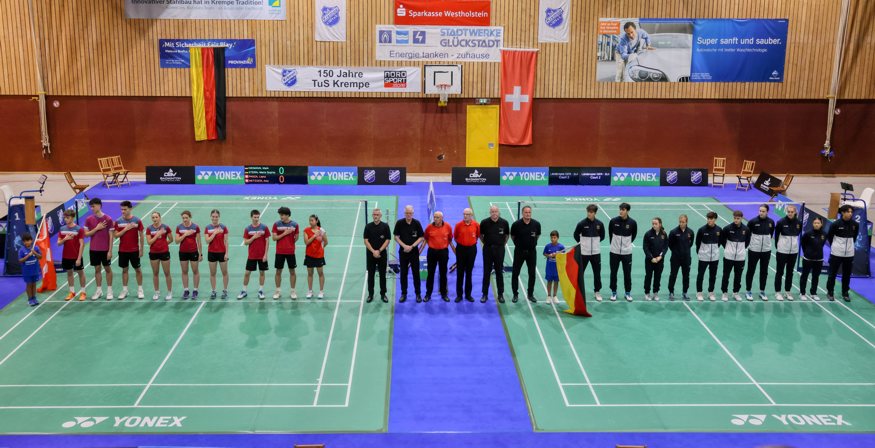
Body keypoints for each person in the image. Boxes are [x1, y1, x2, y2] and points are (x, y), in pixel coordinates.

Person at [83, 198, 114, 300]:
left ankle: (109, 291)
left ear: (99, 205)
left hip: (105, 249)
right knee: (97, 269)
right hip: (94, 249)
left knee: (107, 269)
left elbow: (111, 236)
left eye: (93, 206)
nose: (92, 208)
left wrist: (110, 250)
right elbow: (86, 234)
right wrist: (96, 228)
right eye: (91, 206)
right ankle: (99, 291)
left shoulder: (108, 219)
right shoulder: (89, 220)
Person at [826, 204, 859, 302]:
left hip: (849, 254)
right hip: (836, 253)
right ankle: (830, 292)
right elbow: (830, 237)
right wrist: (836, 247)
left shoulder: (855, 225)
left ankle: (845, 292)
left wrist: (849, 247)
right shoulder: (835, 224)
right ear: (842, 213)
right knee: (832, 273)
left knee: (847, 274)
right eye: (848, 212)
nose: (850, 214)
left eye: (851, 212)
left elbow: (855, 237)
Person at [573, 204, 605, 302]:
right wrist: (583, 244)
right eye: (588, 212)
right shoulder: (581, 223)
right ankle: (578, 290)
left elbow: (602, 236)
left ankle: (597, 291)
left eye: (591, 212)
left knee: (597, 273)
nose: (589, 214)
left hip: (596, 253)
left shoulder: (600, 224)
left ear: (595, 213)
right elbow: (575, 235)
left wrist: (594, 244)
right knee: (580, 272)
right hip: (584, 253)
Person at [114, 200, 145, 300]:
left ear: (130, 209)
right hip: (123, 250)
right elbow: (116, 235)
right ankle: (125, 290)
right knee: (124, 270)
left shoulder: (137, 220)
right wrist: (125, 229)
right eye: (121, 209)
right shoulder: (118, 221)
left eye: (125, 209)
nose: (123, 211)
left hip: (134, 250)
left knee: (138, 270)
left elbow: (141, 235)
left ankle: (140, 290)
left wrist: (141, 249)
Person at [511, 205, 541, 303]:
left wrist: (532, 244)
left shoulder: (536, 224)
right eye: (526, 212)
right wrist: (519, 245)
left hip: (532, 252)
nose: (528, 214)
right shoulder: (516, 225)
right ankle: (515, 294)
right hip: (519, 252)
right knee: (515, 273)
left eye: (529, 212)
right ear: (522, 213)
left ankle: (530, 294)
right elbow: (512, 236)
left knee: (532, 274)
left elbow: (538, 235)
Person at [480, 205, 510, 303]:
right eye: (492, 211)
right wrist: (487, 243)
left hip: (499, 250)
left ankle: (500, 294)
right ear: (490, 213)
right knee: (486, 272)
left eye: (496, 211)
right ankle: (484, 294)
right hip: (488, 249)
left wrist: (501, 244)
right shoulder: (484, 222)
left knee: (499, 272)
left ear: (499, 212)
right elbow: (481, 235)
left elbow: (507, 235)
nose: (494, 213)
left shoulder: (504, 223)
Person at [394, 205, 424, 303]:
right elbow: (396, 237)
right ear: (404, 213)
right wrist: (404, 246)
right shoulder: (399, 223)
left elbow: (421, 237)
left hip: (414, 253)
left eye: (410, 213)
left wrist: (411, 246)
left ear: (413, 213)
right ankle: (403, 293)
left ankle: (418, 294)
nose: (408, 214)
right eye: (407, 213)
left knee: (416, 274)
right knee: (403, 273)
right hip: (403, 253)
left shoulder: (417, 223)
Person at [745, 204, 774, 301]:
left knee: (764, 271)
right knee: (751, 270)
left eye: (763, 211)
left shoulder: (771, 222)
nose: (761, 213)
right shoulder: (753, 222)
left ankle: (762, 291)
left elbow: (771, 233)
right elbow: (747, 235)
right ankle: (748, 291)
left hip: (766, 251)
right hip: (754, 250)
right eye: (760, 211)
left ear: (767, 212)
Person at [608, 202, 637, 301]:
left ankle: (627, 293)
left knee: (627, 273)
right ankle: (613, 292)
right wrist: (614, 246)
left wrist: (626, 245)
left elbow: (634, 235)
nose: (621, 211)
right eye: (620, 209)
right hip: (614, 252)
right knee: (613, 273)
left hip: (627, 253)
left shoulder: (632, 223)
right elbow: (610, 235)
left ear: (627, 211)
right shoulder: (613, 221)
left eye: (623, 210)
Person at [240, 209, 270, 300]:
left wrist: (265, 254)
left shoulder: (264, 228)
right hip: (252, 255)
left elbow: (267, 241)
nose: (256, 219)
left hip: (262, 255)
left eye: (258, 217)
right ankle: (244, 291)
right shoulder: (248, 229)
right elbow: (246, 242)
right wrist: (253, 237)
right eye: (255, 217)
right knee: (247, 273)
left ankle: (261, 291)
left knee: (262, 272)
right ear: (251, 217)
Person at [720, 210, 750, 302]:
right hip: (729, 256)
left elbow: (747, 242)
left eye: (738, 218)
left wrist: (741, 251)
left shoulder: (746, 229)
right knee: (726, 275)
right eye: (735, 218)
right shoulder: (727, 228)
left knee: (738, 276)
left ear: (741, 218)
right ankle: (724, 292)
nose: (736, 220)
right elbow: (722, 240)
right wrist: (728, 249)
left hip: (740, 257)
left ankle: (736, 292)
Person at [423, 211, 453, 302]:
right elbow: (426, 238)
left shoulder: (448, 226)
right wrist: (432, 245)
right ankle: (428, 294)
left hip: (443, 252)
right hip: (432, 252)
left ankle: (444, 293)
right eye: (435, 217)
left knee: (443, 273)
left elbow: (450, 239)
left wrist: (443, 246)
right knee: (430, 273)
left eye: (437, 217)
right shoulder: (429, 227)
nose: (435, 219)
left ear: (442, 218)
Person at [774, 205, 802, 301]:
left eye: (792, 212)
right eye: (788, 211)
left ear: (795, 212)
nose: (790, 213)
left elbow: (798, 235)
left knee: (790, 272)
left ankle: (787, 291)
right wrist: (778, 247)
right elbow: (776, 235)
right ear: (786, 212)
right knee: (780, 272)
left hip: (793, 252)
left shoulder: (799, 223)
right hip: (782, 251)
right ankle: (777, 292)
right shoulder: (781, 222)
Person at [58, 210, 87, 301]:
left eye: (68, 218)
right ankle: (72, 292)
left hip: (76, 256)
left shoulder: (79, 229)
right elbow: (59, 243)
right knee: (69, 273)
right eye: (65, 218)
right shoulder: (62, 229)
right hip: (66, 256)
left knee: (80, 273)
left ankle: (83, 292)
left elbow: (82, 244)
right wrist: (65, 239)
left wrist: (79, 258)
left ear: (72, 217)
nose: (66, 219)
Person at [363, 208, 391, 303]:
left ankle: (383, 294)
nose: (375, 216)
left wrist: (379, 251)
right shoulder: (368, 227)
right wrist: (373, 251)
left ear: (380, 216)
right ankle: (370, 294)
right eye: (374, 214)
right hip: (371, 255)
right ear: (372, 215)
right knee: (371, 275)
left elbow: (387, 240)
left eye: (377, 214)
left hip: (382, 255)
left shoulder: (385, 226)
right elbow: (366, 240)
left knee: (382, 275)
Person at [272, 206, 299, 300]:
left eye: (283, 215)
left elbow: (296, 237)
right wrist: (284, 233)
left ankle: (293, 291)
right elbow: (274, 238)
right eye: (280, 215)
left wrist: (290, 244)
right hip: (279, 251)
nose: (281, 216)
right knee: (278, 271)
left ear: (288, 215)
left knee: (292, 271)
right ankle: (278, 291)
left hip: (290, 252)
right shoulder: (276, 224)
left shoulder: (295, 225)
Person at [145, 211, 173, 301]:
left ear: (160, 218)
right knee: (155, 273)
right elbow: (149, 242)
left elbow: (171, 239)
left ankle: (169, 292)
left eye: (156, 217)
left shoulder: (166, 227)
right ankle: (156, 292)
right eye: (153, 217)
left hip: (164, 252)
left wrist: (164, 244)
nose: (155, 219)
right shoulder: (149, 229)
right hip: (153, 253)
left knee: (167, 273)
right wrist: (157, 235)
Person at [175, 210, 202, 300]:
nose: (185, 219)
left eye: (186, 218)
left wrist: (200, 254)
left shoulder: (195, 227)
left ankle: (195, 290)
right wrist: (185, 235)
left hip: (193, 251)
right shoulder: (179, 227)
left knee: (195, 271)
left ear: (190, 217)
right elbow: (177, 241)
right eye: (183, 218)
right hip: (183, 252)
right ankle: (186, 290)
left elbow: (199, 241)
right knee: (184, 271)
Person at [454, 208, 480, 302]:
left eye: (467, 214)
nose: (465, 216)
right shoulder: (458, 225)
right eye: (464, 214)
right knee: (460, 272)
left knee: (469, 273)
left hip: (472, 250)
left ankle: (468, 295)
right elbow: (455, 237)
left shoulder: (476, 225)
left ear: (471, 215)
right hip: (461, 250)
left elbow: (477, 235)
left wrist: (470, 243)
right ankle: (459, 295)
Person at [799, 216, 827, 301]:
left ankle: (813, 293)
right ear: (812, 224)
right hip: (808, 259)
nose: (816, 224)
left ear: (821, 224)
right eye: (815, 223)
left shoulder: (824, 234)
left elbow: (822, 244)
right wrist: (807, 253)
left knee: (816, 276)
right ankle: (802, 293)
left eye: (818, 223)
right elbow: (803, 244)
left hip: (819, 259)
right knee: (804, 276)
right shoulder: (808, 234)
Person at [667, 214, 694, 301]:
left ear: (686, 222)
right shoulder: (673, 232)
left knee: (686, 276)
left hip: (686, 258)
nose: (681, 223)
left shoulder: (690, 232)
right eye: (680, 222)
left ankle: (685, 292)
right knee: (673, 275)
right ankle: (671, 292)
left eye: (683, 222)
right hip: (675, 258)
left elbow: (690, 244)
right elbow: (670, 244)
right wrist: (676, 252)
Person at [204, 209, 230, 300]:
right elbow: (207, 241)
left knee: (224, 272)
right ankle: (213, 291)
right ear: (211, 217)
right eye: (213, 216)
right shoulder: (208, 227)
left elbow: (226, 241)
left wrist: (226, 253)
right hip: (211, 253)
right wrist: (215, 233)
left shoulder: (223, 227)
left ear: (219, 217)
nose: (215, 218)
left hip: (222, 253)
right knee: (213, 273)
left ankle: (225, 290)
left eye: (216, 217)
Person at [695, 211, 721, 301]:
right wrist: (701, 253)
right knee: (700, 275)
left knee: (713, 275)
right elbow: (697, 243)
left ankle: (711, 292)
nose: (709, 220)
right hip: (703, 257)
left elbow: (720, 242)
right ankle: (699, 292)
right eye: (708, 219)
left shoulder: (719, 230)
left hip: (714, 257)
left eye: (711, 219)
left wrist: (715, 251)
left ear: (715, 219)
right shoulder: (702, 230)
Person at [303, 214, 328, 299]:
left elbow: (326, 241)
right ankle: (310, 291)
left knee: (320, 273)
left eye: (312, 220)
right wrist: (314, 236)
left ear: (316, 221)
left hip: (319, 256)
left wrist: (321, 249)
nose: (310, 222)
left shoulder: (321, 230)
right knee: (310, 273)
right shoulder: (306, 230)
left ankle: (321, 291)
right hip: (309, 255)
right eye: (310, 220)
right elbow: (307, 242)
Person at [642, 217, 667, 301]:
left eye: (656, 224)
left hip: (660, 260)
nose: (654, 225)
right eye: (653, 223)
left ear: (660, 224)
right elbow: (645, 248)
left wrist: (660, 256)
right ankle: (647, 293)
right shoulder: (648, 234)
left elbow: (665, 247)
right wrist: (651, 257)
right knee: (648, 276)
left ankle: (655, 293)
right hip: (650, 261)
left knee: (657, 277)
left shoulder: (664, 234)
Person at [18, 233, 41, 307]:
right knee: (29, 285)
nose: (27, 242)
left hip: (35, 270)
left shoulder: (36, 248)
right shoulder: (21, 250)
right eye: (25, 241)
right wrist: (28, 255)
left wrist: (35, 253)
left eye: (28, 240)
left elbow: (40, 257)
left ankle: (34, 298)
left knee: (34, 284)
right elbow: (20, 260)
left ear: (31, 240)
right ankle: (30, 299)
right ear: (23, 242)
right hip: (27, 271)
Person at [543, 230, 564, 304]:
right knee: (549, 281)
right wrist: (549, 255)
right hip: (549, 267)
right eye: (551, 237)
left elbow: (564, 256)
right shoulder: (547, 246)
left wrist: (558, 255)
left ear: (557, 238)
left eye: (554, 237)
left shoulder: (561, 247)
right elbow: (544, 253)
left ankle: (555, 296)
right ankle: (548, 296)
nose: (553, 239)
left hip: (557, 268)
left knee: (556, 281)